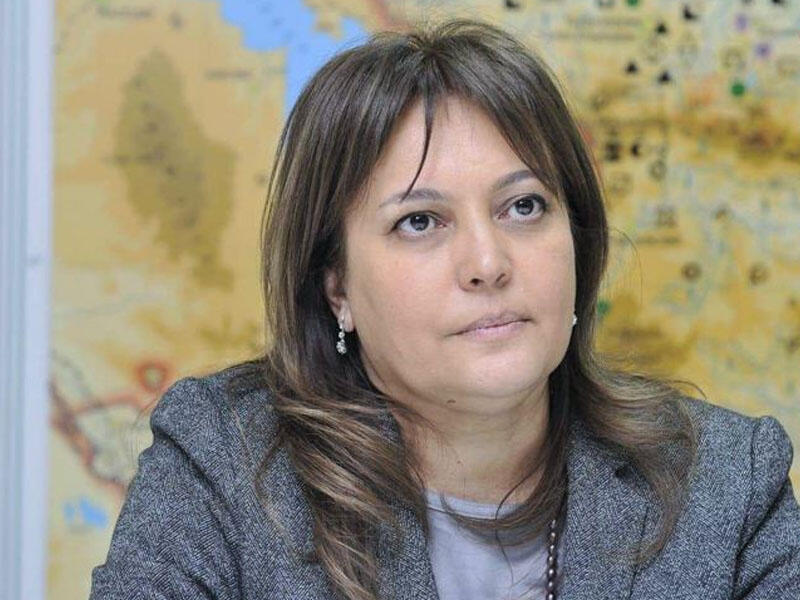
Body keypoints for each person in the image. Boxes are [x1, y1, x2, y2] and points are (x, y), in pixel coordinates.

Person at [89, 17, 800, 600]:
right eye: (420, 222)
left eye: (524, 207)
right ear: (337, 287)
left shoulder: (725, 482)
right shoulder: (224, 468)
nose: (488, 263)